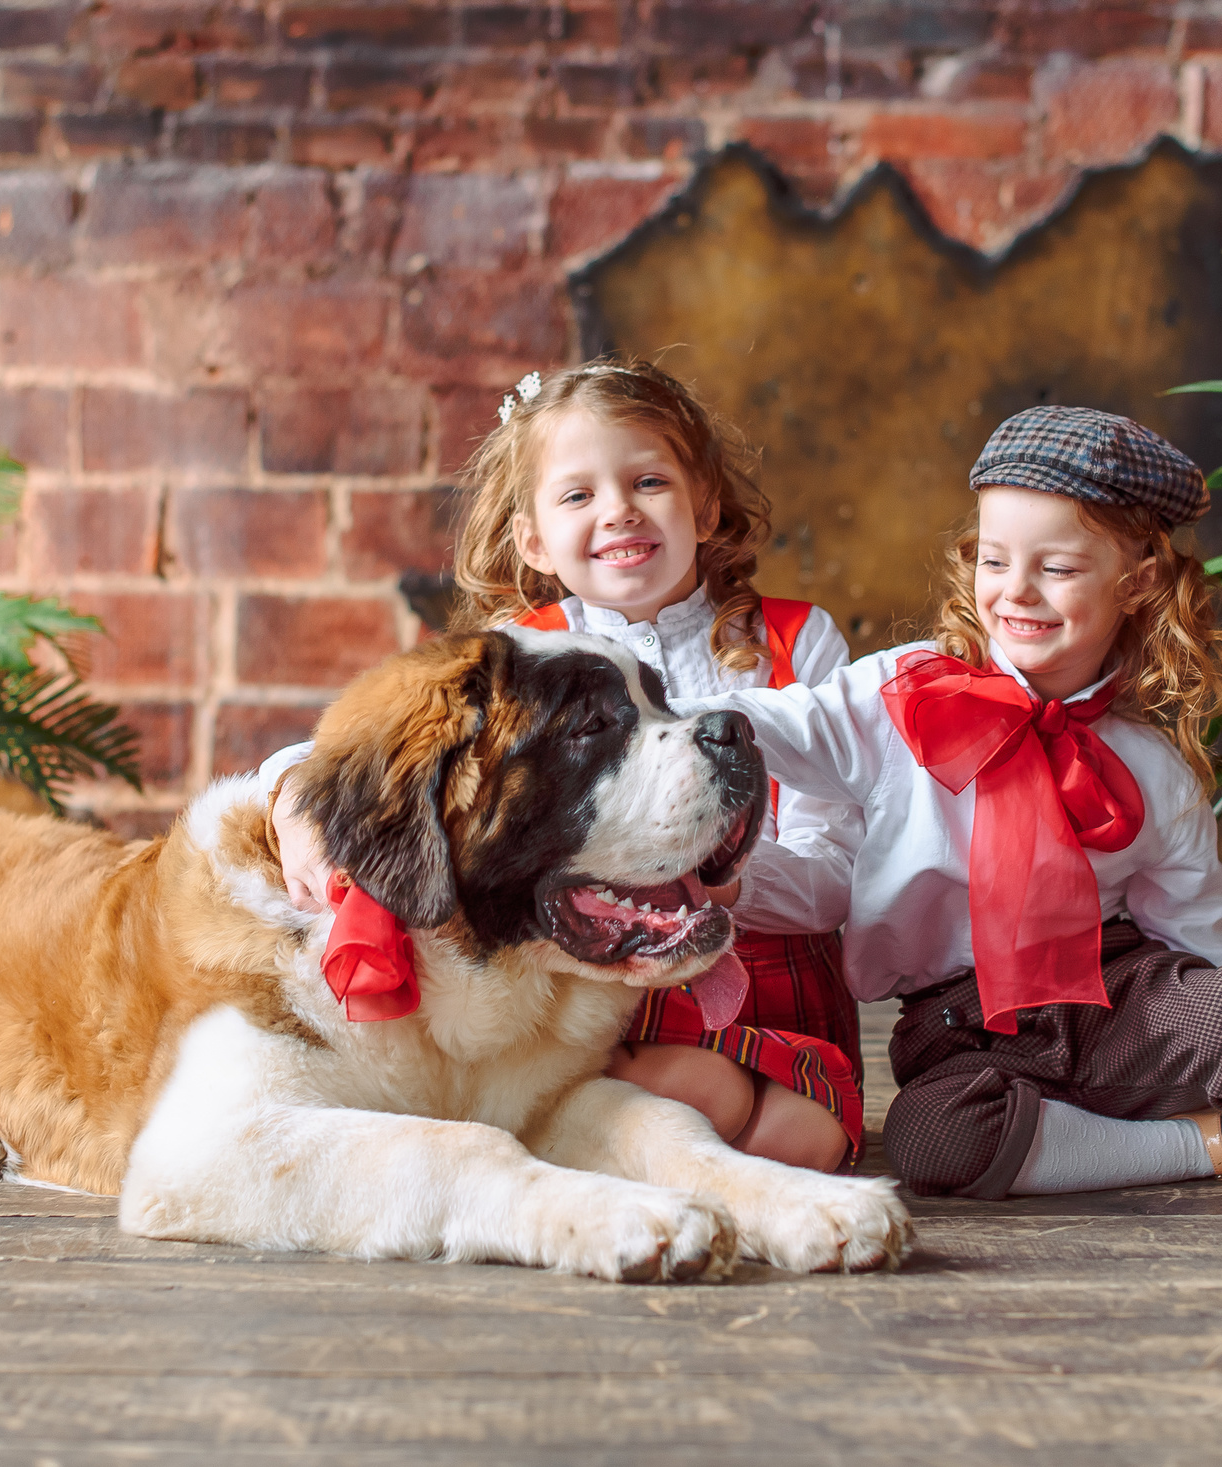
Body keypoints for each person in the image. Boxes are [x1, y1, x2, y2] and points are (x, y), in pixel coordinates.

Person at [690, 405, 1222, 1196]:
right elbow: (775, 723)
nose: (1015, 591)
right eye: (994, 560)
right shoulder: (899, 696)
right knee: (934, 1146)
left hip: (1117, 998)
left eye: (1056, 567)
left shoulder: (1149, 763)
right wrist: (655, 722)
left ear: (1137, 579)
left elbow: (1197, 927)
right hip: (960, 1026)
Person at [268, 357, 863, 1172]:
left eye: (649, 480)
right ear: (534, 539)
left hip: (762, 974)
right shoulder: (524, 653)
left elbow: (841, 864)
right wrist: (287, 798)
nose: (619, 510)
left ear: (706, 504)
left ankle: (629, 1134)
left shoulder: (798, 642)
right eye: (579, 494)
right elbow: (385, 742)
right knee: (679, 1094)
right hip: (587, 990)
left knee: (808, 1139)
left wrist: (727, 883)